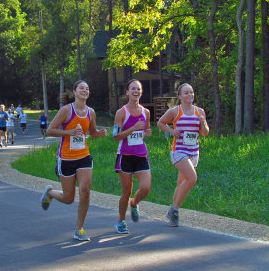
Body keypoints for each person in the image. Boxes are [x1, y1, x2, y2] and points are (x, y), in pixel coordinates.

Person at [40, 80, 108, 241]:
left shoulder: (91, 112)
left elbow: (92, 132)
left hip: (83, 156)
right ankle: (49, 192)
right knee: (68, 199)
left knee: (85, 190)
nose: (85, 90)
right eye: (82, 88)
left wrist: (100, 133)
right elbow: (50, 131)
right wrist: (69, 132)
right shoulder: (66, 110)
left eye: (87, 88)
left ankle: (79, 229)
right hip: (66, 158)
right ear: (75, 92)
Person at [157, 83, 209, 227]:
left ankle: (172, 211)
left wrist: (203, 123)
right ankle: (174, 210)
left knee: (181, 183)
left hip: (193, 152)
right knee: (192, 179)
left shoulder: (200, 112)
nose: (190, 95)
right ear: (180, 96)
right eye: (186, 93)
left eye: (191, 92)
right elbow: (160, 123)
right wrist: (172, 131)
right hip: (179, 151)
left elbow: (205, 133)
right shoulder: (175, 111)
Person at [112, 80, 152, 234]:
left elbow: (146, 130)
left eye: (139, 89)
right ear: (127, 92)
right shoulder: (121, 112)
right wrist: (132, 129)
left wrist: (147, 133)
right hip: (125, 156)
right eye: (133, 89)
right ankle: (121, 222)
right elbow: (116, 136)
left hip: (141, 155)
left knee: (146, 188)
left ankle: (134, 204)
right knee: (126, 192)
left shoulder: (145, 112)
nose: (136, 91)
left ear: (141, 92)